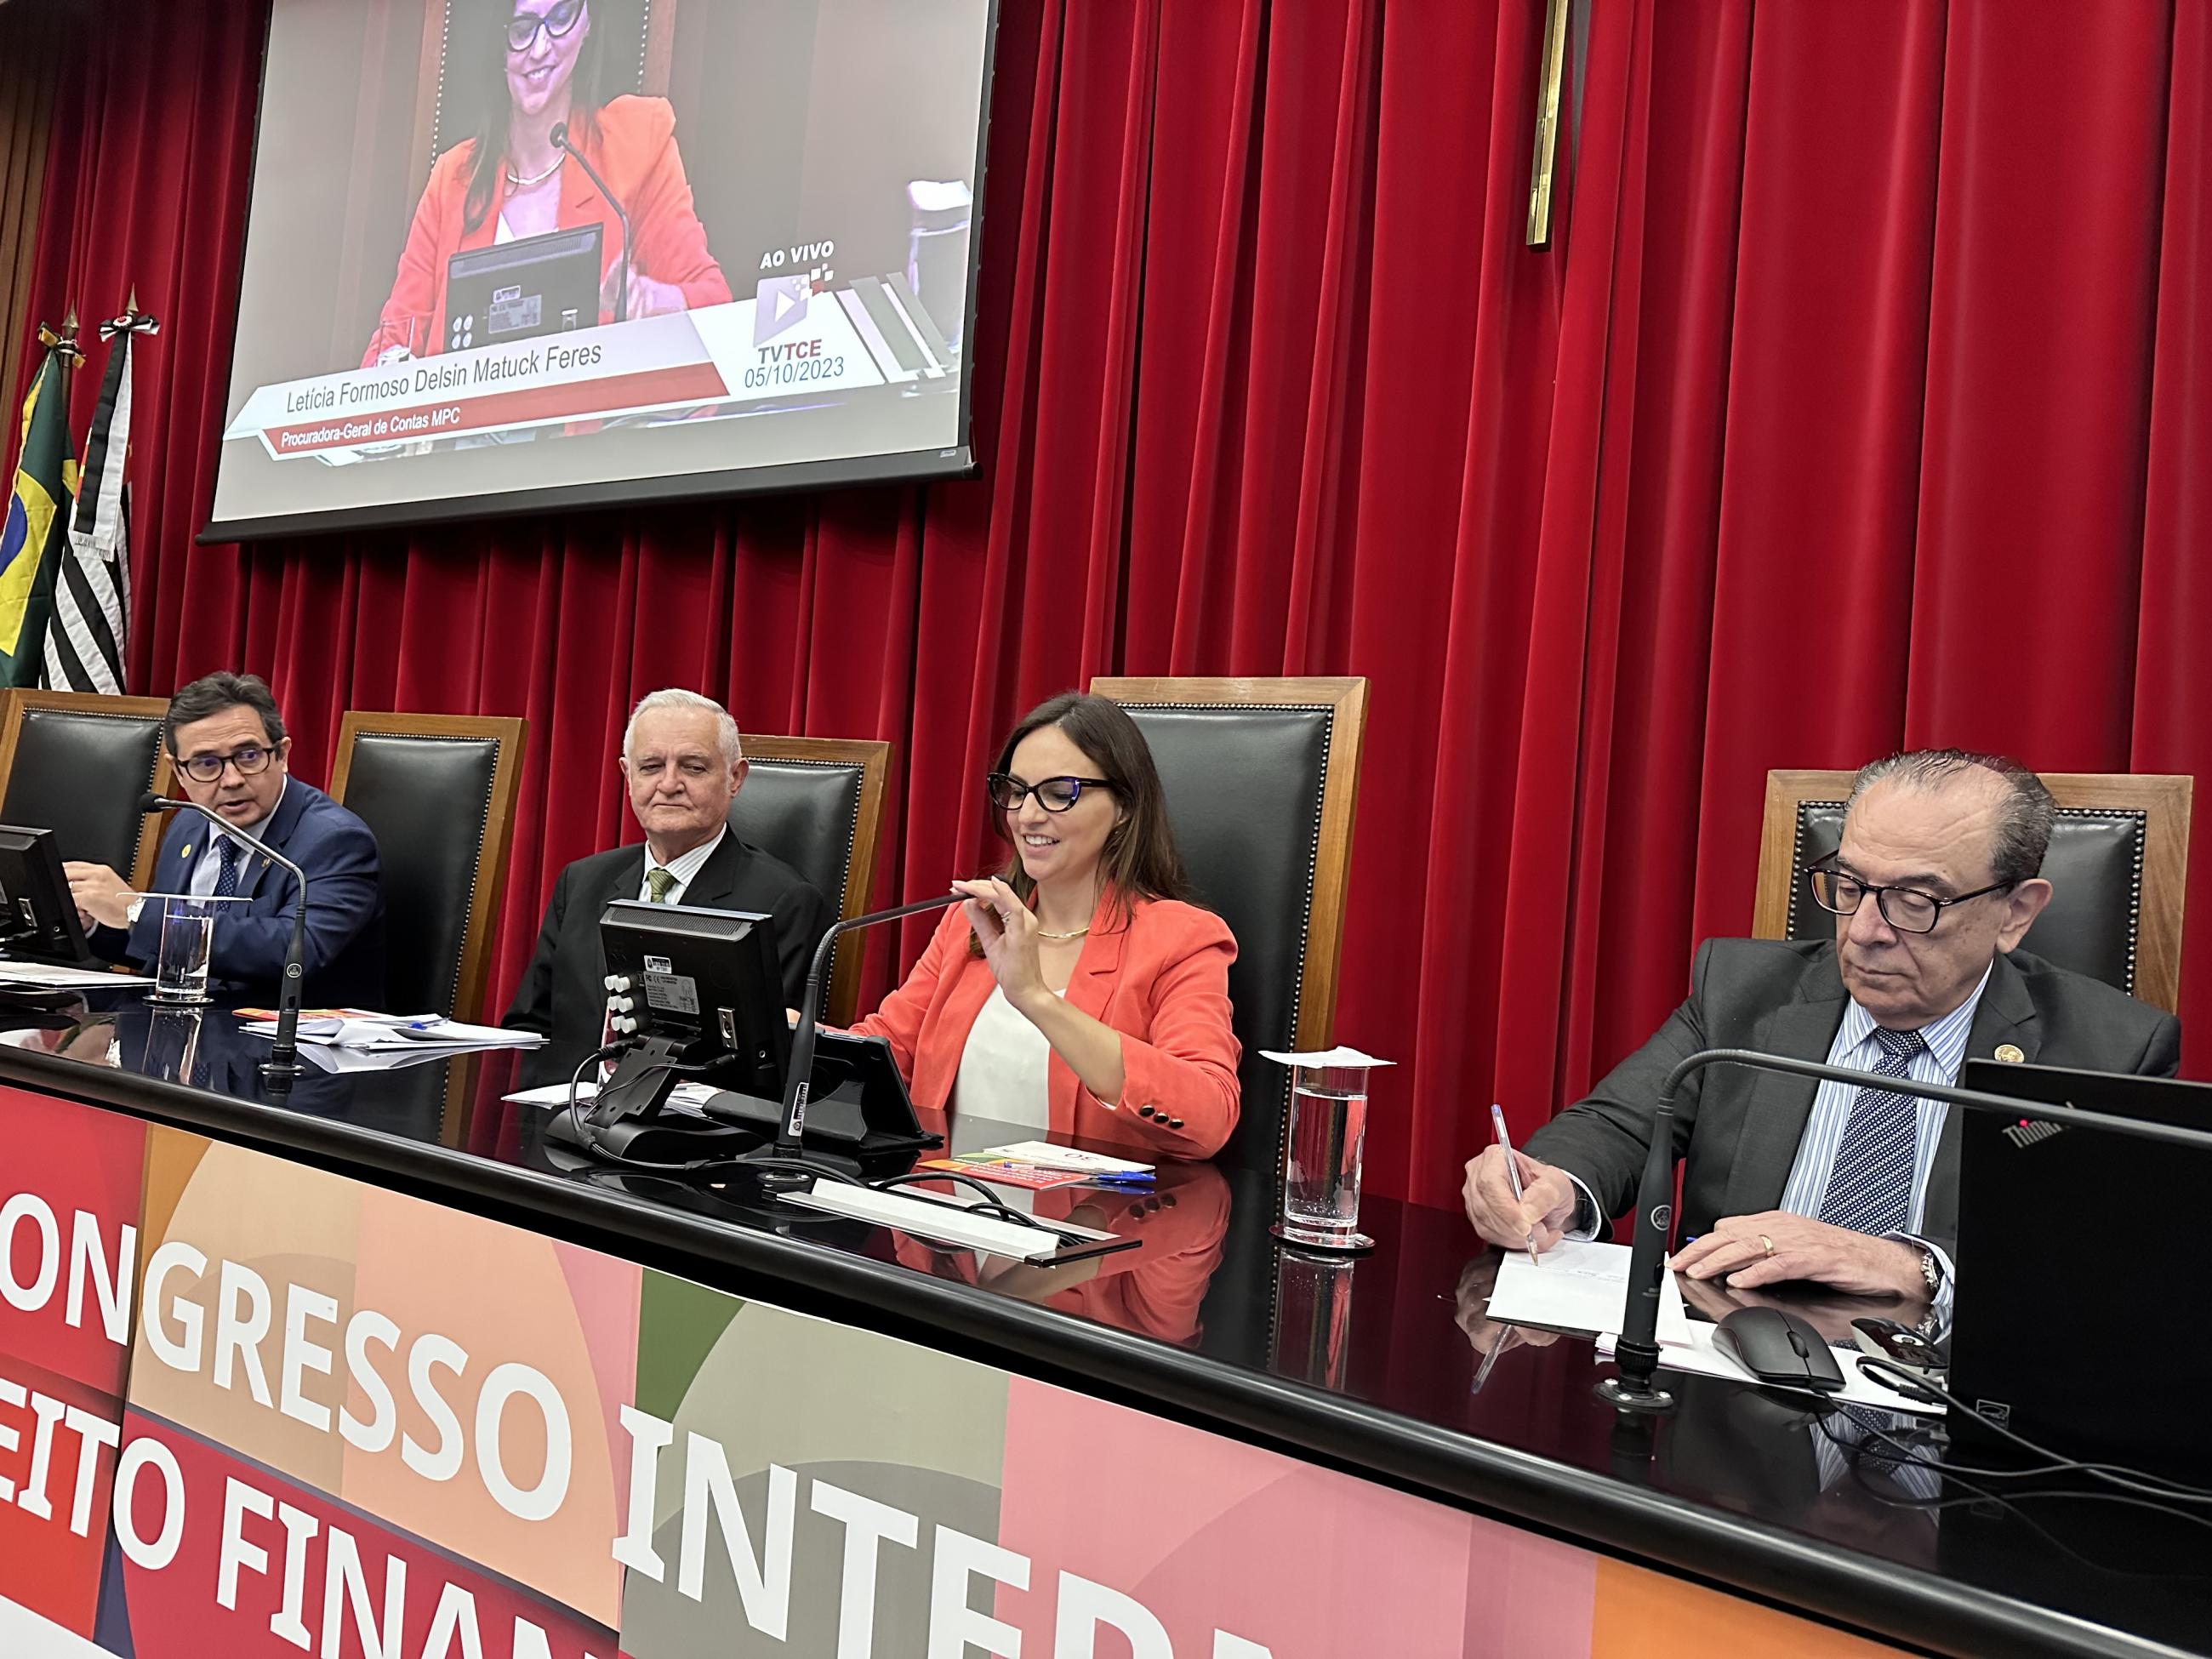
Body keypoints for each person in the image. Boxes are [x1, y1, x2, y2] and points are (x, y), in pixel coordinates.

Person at [1461, 750, 2180, 1311]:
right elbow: (1618, 1125)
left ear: (2015, 913)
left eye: (1914, 901)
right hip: (1726, 1378)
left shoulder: (2109, 1052)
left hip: (1947, 1407)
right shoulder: (1744, 990)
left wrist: (1909, 1265)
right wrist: (1552, 1185)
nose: (1864, 931)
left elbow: (2105, 1268)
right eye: (1850, 886)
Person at [848, 692, 1240, 1160]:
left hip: (1086, 1205)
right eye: (1016, 791)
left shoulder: (1183, 939)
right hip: (939, 1198)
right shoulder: (974, 920)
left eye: (1059, 794)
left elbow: (1209, 1118)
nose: (1028, 815)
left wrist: (1036, 998)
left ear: (1124, 807)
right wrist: (796, 1040)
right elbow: (887, 1053)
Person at [361, 0, 731, 367]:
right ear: (498, 42)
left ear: (587, 24)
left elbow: (715, 307)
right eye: (522, 30)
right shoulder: (452, 179)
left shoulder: (636, 146)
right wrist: (389, 366)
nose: (540, 49)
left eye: (561, 18)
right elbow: (393, 341)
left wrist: (653, 301)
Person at [503, 689, 827, 1046]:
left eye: (693, 767)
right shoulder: (580, 882)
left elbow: (770, 1057)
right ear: (628, 775)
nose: (669, 785)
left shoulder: (785, 904)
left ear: (735, 778)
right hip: (570, 1083)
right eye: (651, 767)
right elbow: (529, 1030)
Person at [64, 673, 388, 1006]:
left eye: (248, 756)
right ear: (179, 772)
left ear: (282, 754)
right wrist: (93, 923)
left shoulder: (336, 840)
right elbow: (166, 951)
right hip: (185, 1023)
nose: (231, 780)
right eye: (206, 763)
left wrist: (137, 912)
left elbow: (295, 953)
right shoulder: (190, 823)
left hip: (285, 1030)